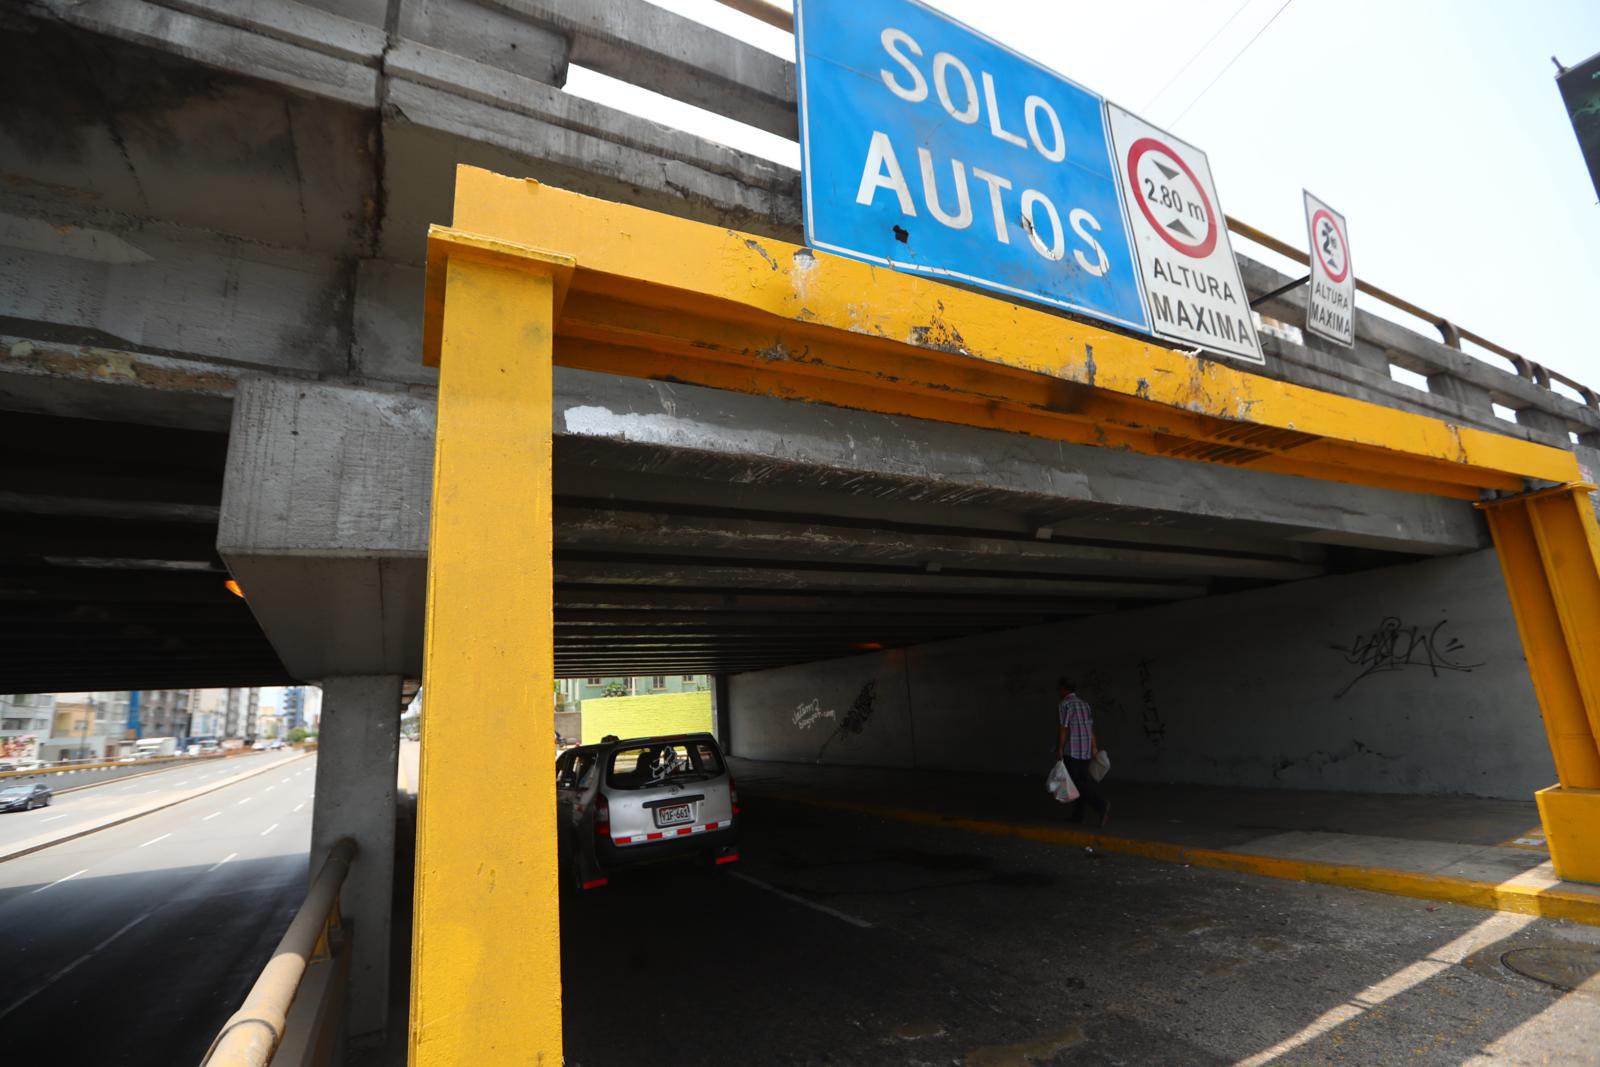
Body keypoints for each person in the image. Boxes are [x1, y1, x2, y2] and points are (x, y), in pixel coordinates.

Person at [1056, 677, 1110, 827]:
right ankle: (1078, 816)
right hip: (1085, 750)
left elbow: (1064, 728)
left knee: (1076, 783)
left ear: (1063, 689)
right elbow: (1090, 728)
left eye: (1060, 689)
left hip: (1072, 750)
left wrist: (1060, 748)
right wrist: (1094, 747)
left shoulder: (1064, 704)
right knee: (1082, 781)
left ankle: (1101, 805)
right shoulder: (1085, 705)